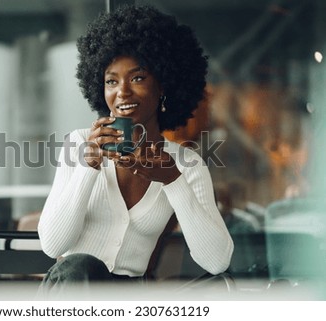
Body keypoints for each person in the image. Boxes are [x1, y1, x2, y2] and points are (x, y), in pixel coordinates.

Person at [37, 5, 233, 295]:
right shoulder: (80, 144)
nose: (122, 92)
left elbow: (217, 262)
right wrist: (87, 168)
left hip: (129, 303)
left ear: (164, 84)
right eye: (111, 81)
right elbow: (52, 245)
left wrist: (173, 180)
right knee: (81, 266)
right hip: (70, 290)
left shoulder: (185, 164)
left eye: (137, 78)